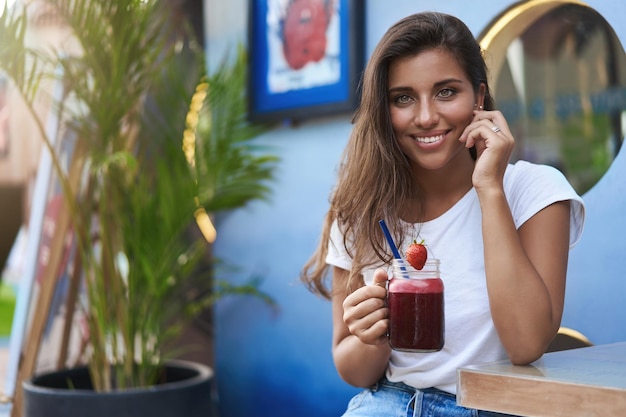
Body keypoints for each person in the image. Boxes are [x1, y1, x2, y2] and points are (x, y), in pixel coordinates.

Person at [300, 11, 585, 417]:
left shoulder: (534, 191)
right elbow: (353, 369)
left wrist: (489, 189)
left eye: (446, 92)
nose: (426, 116)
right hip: (386, 402)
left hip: (489, 406)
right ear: (384, 110)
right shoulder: (360, 207)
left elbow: (526, 345)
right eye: (403, 98)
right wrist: (372, 335)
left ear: (479, 97)